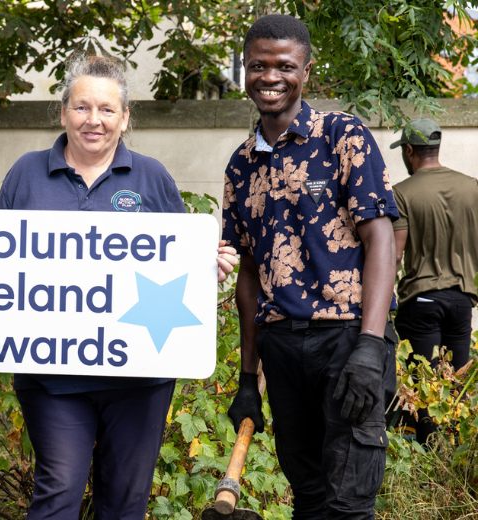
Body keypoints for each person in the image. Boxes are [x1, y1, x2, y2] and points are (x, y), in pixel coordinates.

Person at [0, 54, 238, 520]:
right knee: (59, 491)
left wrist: (211, 263)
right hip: (52, 374)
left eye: (107, 110)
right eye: (82, 108)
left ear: (125, 118)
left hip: (140, 375)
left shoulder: (151, 177)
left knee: (125, 500)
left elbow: (181, 258)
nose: (94, 120)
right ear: (63, 112)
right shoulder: (25, 175)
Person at [221, 15, 398, 519]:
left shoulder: (343, 135)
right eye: (258, 65)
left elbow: (380, 238)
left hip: (346, 340)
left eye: (284, 66)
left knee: (347, 502)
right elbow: (249, 274)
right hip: (281, 347)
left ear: (305, 69)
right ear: (245, 70)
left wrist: (369, 346)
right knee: (310, 496)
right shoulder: (240, 163)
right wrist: (246, 378)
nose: (270, 76)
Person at [390, 118, 478, 443]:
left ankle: (427, 466)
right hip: (461, 303)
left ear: (409, 151)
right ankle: (452, 464)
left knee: (421, 389)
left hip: (420, 302)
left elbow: (394, 256)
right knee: (454, 390)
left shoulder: (401, 193)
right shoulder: (473, 187)